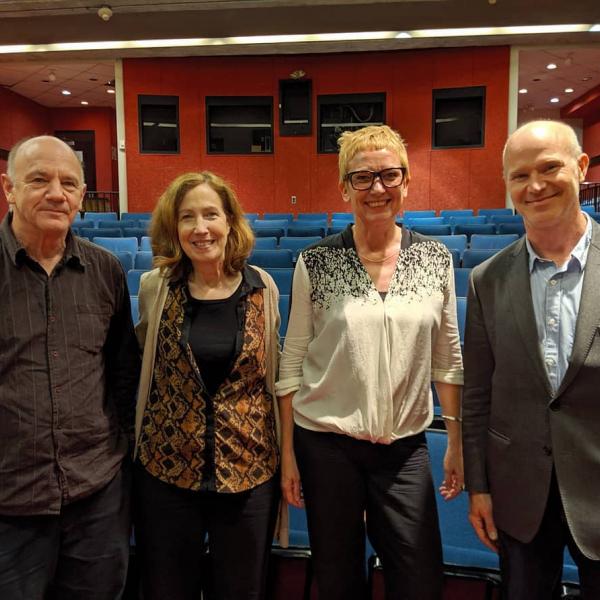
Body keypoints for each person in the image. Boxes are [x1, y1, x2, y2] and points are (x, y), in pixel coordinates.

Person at [276, 125, 464, 599]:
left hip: (403, 448)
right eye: (362, 178)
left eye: (388, 175)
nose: (376, 188)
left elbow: (447, 357)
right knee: (338, 580)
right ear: (344, 188)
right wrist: (288, 455)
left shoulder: (434, 259)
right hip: (327, 445)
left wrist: (456, 441)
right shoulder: (314, 262)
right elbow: (293, 359)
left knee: (419, 580)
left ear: (405, 182)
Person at [462, 119, 600, 598]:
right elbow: (477, 394)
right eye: (520, 175)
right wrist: (479, 487)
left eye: (549, 168)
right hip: (519, 493)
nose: (535, 185)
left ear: (581, 168)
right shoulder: (487, 279)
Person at [0, 135, 140, 599]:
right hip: (9, 502)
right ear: (9, 189)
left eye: (69, 183)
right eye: (39, 180)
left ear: (81, 195)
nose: (56, 193)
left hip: (96, 496)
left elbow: (122, 372)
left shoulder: (105, 271)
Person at [133, 171, 284, 600]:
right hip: (165, 472)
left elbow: (272, 378)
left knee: (241, 591)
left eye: (210, 214)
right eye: (187, 217)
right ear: (173, 228)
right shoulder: (154, 289)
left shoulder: (264, 289)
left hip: (248, 472)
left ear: (231, 221)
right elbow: (143, 365)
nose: (200, 228)